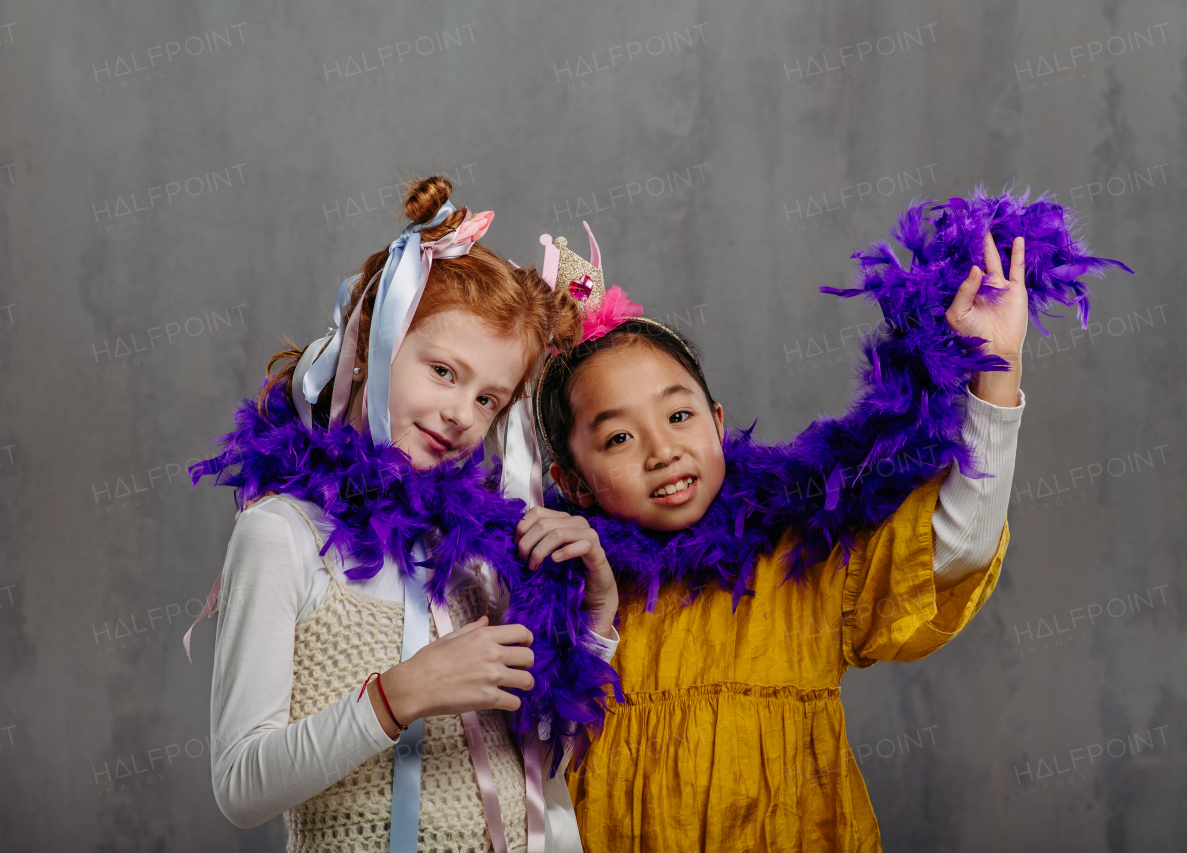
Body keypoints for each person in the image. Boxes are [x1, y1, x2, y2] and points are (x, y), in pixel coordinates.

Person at [520, 195, 1129, 850]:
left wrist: (996, 374)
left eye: (678, 416)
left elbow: (955, 547)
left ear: (718, 424)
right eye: (617, 438)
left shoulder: (801, 553)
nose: (662, 449)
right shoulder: (569, 601)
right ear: (571, 482)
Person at [188, 176, 620, 853]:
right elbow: (241, 785)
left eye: (489, 399)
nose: (460, 413)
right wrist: (397, 695)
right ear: (370, 348)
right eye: (444, 371)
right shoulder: (282, 535)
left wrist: (595, 613)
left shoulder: (482, 552)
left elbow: (550, 754)